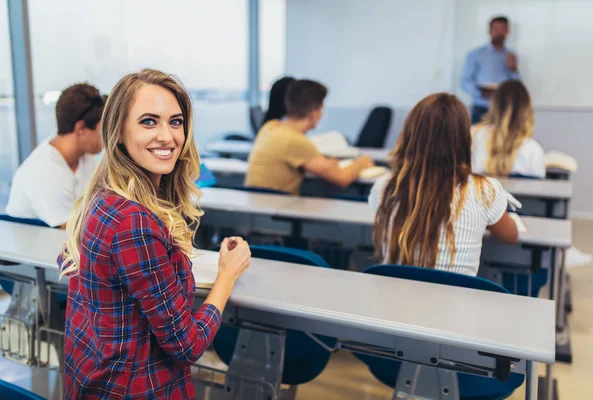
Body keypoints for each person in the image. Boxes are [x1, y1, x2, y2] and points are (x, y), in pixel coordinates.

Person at [59, 69, 252, 399]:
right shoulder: (133, 223)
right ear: (117, 131)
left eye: (175, 122)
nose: (168, 136)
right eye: (149, 121)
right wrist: (227, 276)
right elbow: (187, 344)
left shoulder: (100, 198)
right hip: (137, 388)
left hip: (97, 382)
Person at [369, 93, 518, 276]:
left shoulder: (385, 186)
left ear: (410, 134)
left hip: (393, 301)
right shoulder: (485, 190)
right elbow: (511, 236)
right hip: (456, 303)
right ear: (463, 139)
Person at [245, 79, 374, 194]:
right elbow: (341, 178)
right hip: (276, 212)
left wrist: (326, 164)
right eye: (321, 109)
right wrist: (361, 163)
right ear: (313, 113)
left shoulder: (270, 127)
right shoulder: (296, 141)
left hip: (257, 206)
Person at [6, 83, 105, 227]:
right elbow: (73, 229)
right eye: (102, 129)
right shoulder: (45, 171)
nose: (107, 137)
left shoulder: (85, 157)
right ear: (81, 128)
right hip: (38, 245)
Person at [471, 80, 545, 178]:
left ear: (494, 105)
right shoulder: (533, 150)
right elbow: (540, 191)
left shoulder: (473, 136)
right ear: (527, 111)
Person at [461, 16, 520, 124]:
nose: (499, 33)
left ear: (507, 31)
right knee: (477, 139)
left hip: (503, 108)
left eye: (502, 29)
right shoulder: (476, 54)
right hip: (481, 108)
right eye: (496, 29)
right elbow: (465, 81)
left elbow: (516, 85)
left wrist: (514, 69)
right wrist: (480, 93)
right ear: (489, 31)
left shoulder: (510, 56)